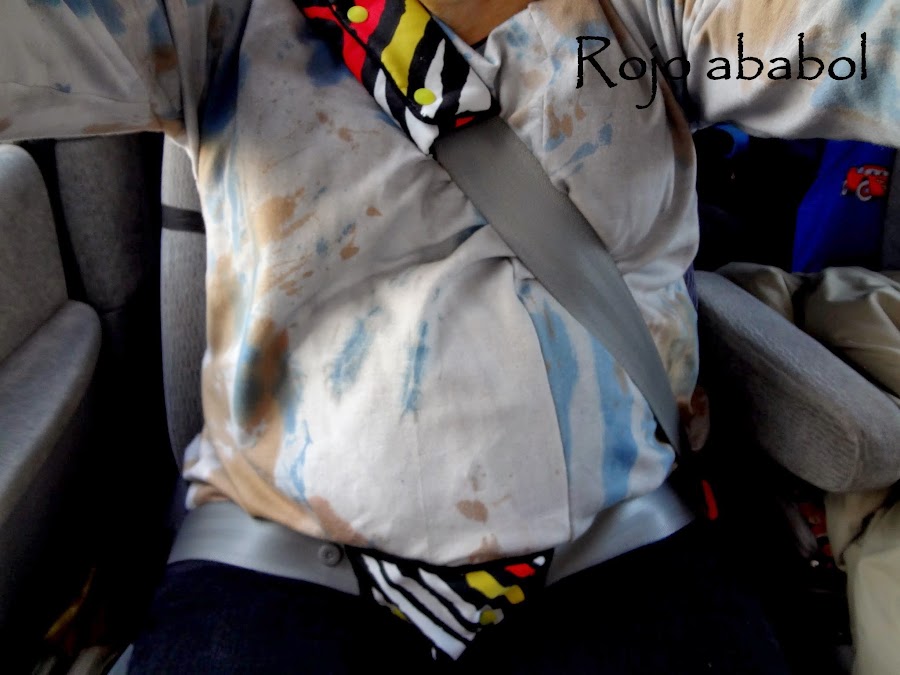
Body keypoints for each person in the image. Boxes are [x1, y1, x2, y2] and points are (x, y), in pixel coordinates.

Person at [2, 0, 897, 671]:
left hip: (613, 535)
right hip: (279, 550)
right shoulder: (218, 17)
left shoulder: (654, 12)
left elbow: (854, 38)